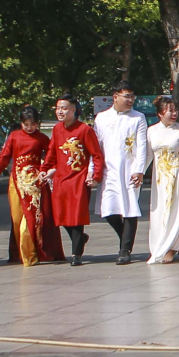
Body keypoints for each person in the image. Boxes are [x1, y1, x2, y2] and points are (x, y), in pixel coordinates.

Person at [0, 106, 63, 265]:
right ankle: (20, 253)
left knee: (31, 219)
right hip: (16, 183)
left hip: (35, 184)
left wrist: (46, 171)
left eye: (33, 124)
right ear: (21, 123)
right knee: (16, 219)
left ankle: (31, 255)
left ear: (38, 123)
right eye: (26, 124)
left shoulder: (42, 138)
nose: (29, 128)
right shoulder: (14, 137)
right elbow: (3, 158)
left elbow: (51, 157)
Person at [46, 94, 104, 265]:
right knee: (60, 215)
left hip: (79, 179)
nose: (60, 112)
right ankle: (81, 239)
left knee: (76, 216)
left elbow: (96, 155)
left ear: (73, 110)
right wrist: (45, 169)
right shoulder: (57, 129)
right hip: (61, 180)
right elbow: (51, 152)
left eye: (64, 108)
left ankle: (76, 254)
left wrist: (95, 176)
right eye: (58, 108)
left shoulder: (84, 130)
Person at [95, 85, 150, 265]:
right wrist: (93, 170)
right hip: (108, 170)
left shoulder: (138, 118)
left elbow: (141, 145)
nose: (130, 100)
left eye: (132, 96)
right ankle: (124, 236)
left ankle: (125, 249)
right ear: (115, 97)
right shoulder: (102, 118)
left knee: (129, 208)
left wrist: (139, 169)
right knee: (108, 209)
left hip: (129, 169)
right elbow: (95, 146)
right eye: (126, 96)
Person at [146, 97, 179, 264]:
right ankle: (172, 242)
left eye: (175, 110)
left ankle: (172, 247)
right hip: (160, 176)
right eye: (170, 110)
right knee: (160, 210)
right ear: (160, 113)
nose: (174, 114)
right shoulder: (151, 131)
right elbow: (148, 155)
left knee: (176, 208)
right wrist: (138, 172)